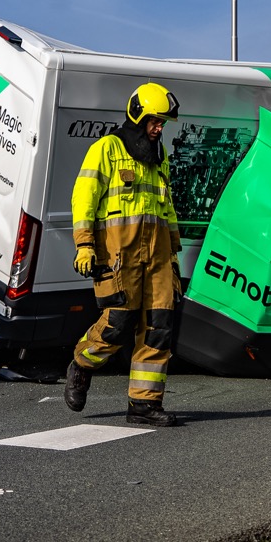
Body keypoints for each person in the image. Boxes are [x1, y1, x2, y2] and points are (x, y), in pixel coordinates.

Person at [63, 82, 182, 427]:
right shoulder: (107, 149)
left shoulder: (160, 159)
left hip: (158, 256)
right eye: (155, 121)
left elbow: (167, 210)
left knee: (159, 328)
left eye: (162, 123)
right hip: (119, 256)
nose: (160, 128)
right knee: (117, 326)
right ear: (138, 116)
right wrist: (84, 244)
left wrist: (173, 258)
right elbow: (83, 199)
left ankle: (144, 405)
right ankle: (81, 364)